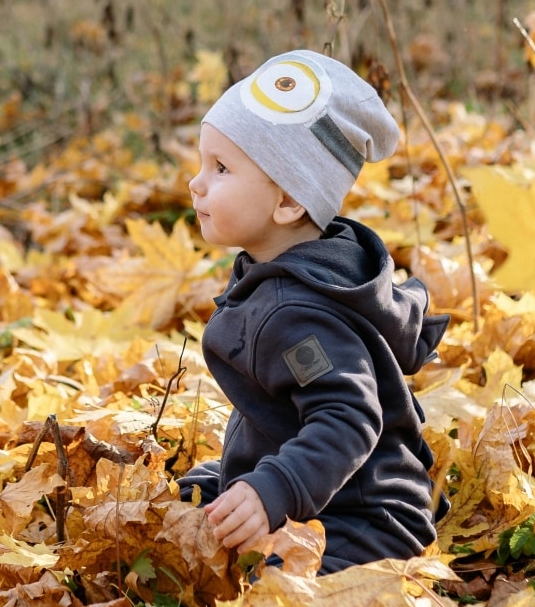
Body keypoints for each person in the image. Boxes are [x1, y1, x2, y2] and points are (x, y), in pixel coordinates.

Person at [180, 51, 447, 573]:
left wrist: (274, 488)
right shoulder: (289, 270)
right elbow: (281, 401)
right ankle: (250, 486)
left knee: (269, 582)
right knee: (194, 505)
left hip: (368, 516)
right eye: (202, 164)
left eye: (221, 168)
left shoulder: (299, 312)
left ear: (287, 204)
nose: (197, 183)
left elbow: (348, 417)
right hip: (324, 491)